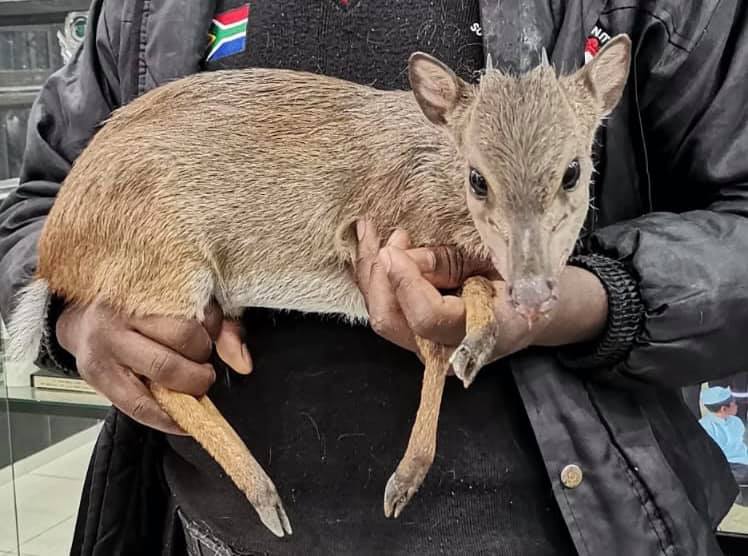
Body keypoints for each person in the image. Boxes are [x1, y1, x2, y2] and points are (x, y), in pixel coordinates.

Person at [0, 1, 746, 555]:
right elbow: (41, 210)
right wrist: (80, 319)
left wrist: (583, 301)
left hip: (564, 529)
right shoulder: (144, 12)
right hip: (206, 531)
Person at [699, 387, 748, 485]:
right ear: (724, 409)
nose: (737, 405)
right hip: (727, 466)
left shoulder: (736, 421)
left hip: (742, 461)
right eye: (734, 403)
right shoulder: (704, 427)